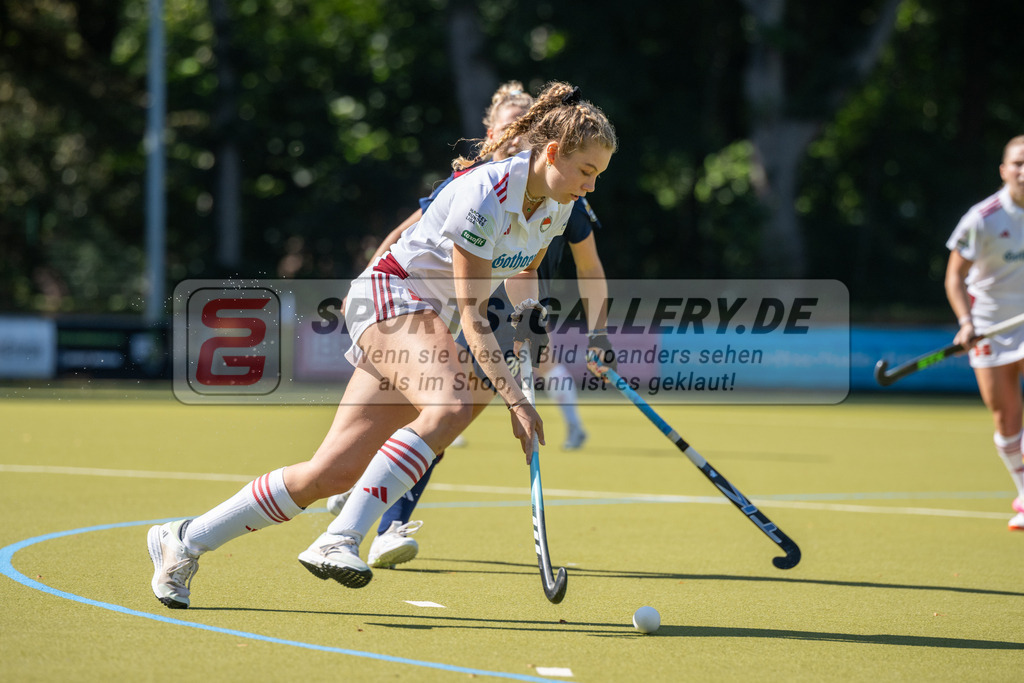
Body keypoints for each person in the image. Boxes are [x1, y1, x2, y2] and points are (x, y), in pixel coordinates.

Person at [146, 81, 618, 608]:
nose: (591, 187)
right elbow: (471, 313)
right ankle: (340, 539)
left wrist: (530, 324)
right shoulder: (486, 194)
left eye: (598, 175)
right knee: (453, 401)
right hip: (388, 295)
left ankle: (183, 539)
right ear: (552, 152)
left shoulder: (553, 203)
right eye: (587, 171)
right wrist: (518, 400)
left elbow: (523, 270)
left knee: (331, 472)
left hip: (421, 314)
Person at [327, 81, 613, 570]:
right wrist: (372, 281)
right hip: (445, 302)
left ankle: (374, 516)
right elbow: (412, 233)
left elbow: (568, 268)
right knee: (444, 408)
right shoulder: (478, 183)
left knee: (446, 414)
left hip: (495, 307)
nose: (514, 137)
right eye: (508, 128)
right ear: (494, 131)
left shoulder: (566, 199)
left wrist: (569, 329)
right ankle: (378, 519)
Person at [944, 134, 1024, 531]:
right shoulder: (984, 218)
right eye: (1018, 163)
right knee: (1006, 419)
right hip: (991, 323)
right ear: (1004, 170)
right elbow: (954, 276)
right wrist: (966, 322)